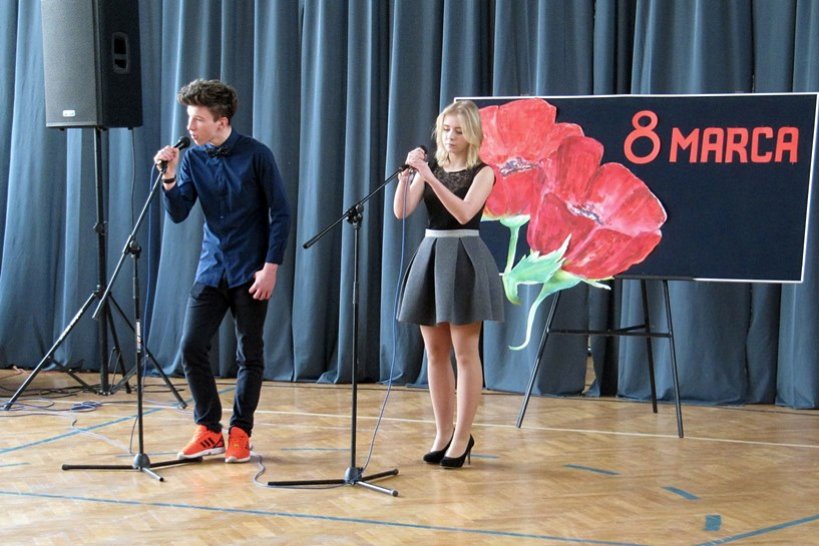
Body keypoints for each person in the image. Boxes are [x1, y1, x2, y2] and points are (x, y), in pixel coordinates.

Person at [153, 79, 290, 463]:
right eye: (189, 119)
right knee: (191, 347)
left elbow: (280, 213)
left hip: (251, 270)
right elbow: (179, 212)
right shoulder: (194, 159)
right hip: (212, 267)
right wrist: (169, 175)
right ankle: (209, 429)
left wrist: (270, 267)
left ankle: (240, 431)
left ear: (222, 121)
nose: (190, 127)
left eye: (197, 119)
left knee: (250, 353)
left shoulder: (257, 155)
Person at [394, 100, 504, 469]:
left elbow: (463, 213)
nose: (450, 136)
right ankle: (442, 432)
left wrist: (429, 176)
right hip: (431, 253)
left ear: (472, 134)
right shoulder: (434, 169)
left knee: (465, 352)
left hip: (464, 257)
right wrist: (407, 178)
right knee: (435, 352)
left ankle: (462, 436)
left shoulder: (483, 172)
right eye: (445, 129)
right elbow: (402, 211)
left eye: (458, 130)